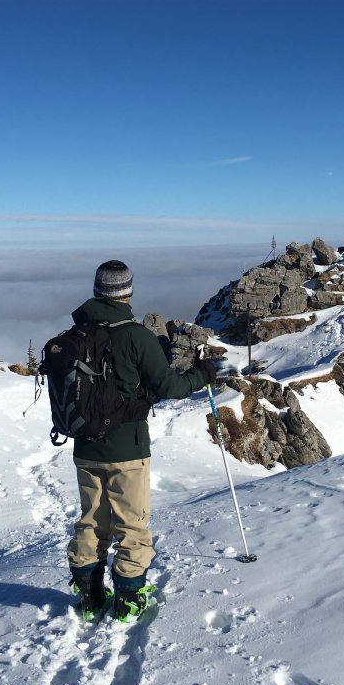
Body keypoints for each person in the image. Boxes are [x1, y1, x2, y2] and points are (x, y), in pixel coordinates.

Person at [68, 260, 218, 621]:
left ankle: (90, 597)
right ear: (128, 292)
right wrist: (202, 374)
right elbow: (169, 386)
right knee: (131, 524)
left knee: (91, 521)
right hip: (127, 448)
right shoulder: (136, 335)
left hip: (85, 446)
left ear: (96, 291)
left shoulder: (75, 334)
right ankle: (129, 598)